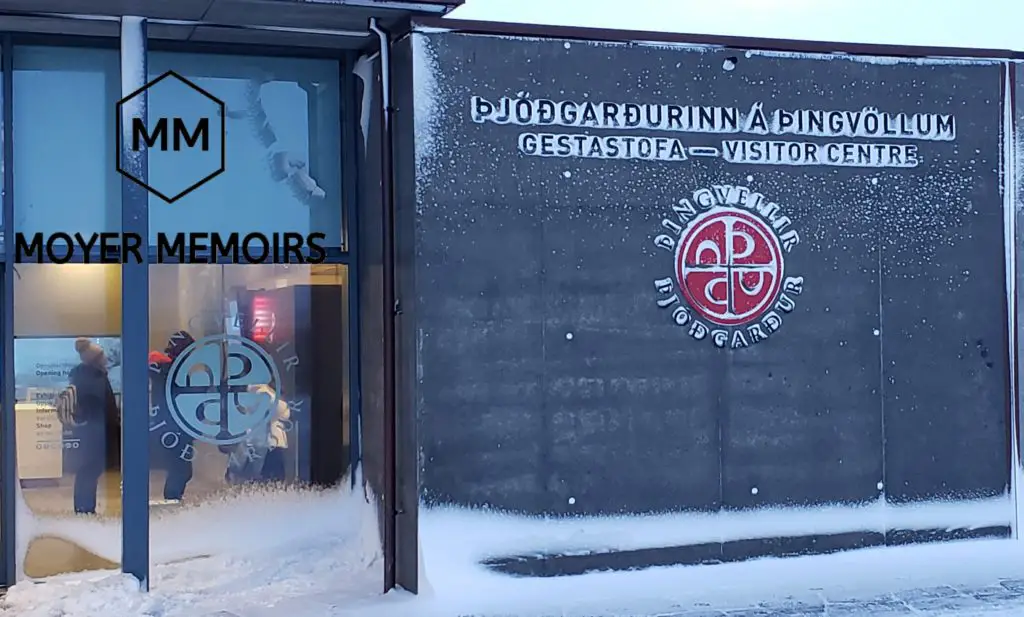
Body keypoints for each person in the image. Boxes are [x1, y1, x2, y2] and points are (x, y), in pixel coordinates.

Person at [70, 338, 121, 515]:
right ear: (94, 359)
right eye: (101, 355)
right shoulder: (90, 377)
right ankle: (84, 508)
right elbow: (98, 403)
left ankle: (85, 507)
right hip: (94, 428)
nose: (105, 358)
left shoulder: (93, 375)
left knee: (91, 468)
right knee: (90, 468)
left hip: (97, 427)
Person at [148, 330, 196, 503]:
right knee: (181, 468)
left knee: (179, 467)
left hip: (166, 424)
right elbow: (182, 397)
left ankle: (173, 499)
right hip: (176, 425)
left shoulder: (162, 368)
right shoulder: (174, 371)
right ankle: (172, 501)